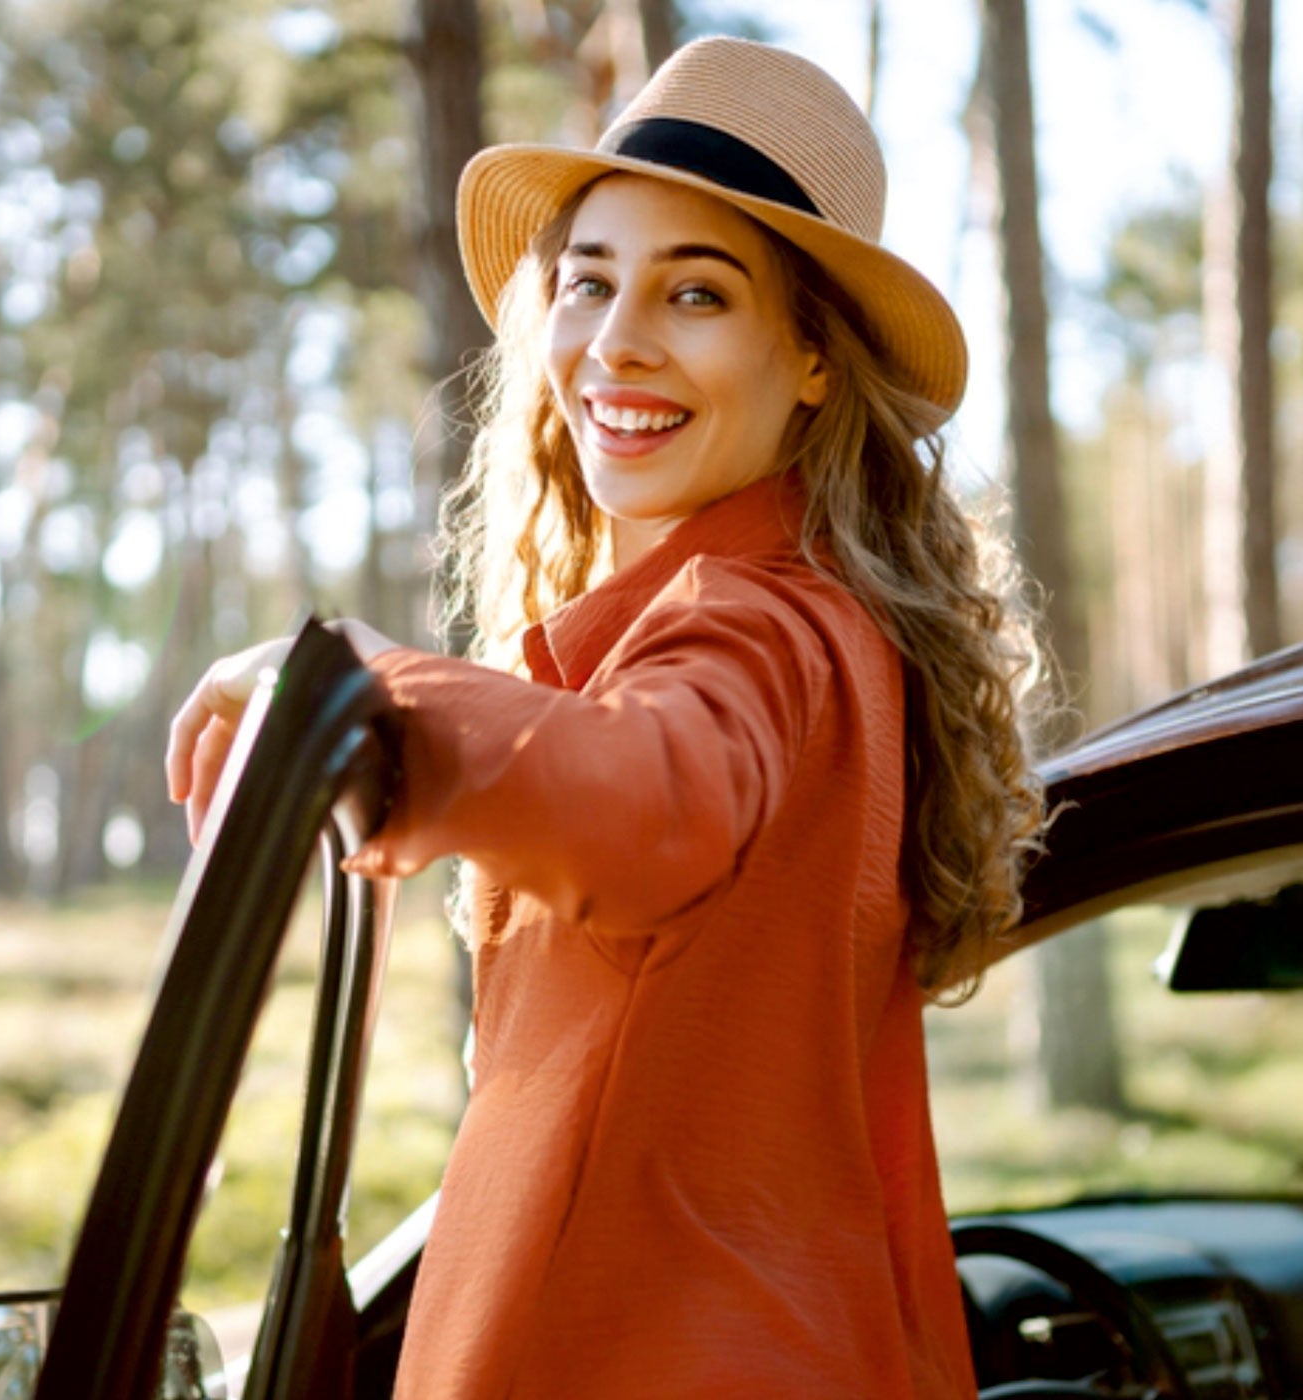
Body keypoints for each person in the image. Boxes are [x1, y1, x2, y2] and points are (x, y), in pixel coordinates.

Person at [166, 38, 1044, 1399]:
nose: (618, 339)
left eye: (696, 293)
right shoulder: (818, 628)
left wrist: (356, 683)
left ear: (814, 357)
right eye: (589, 281)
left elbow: (650, 799)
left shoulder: (759, 624)